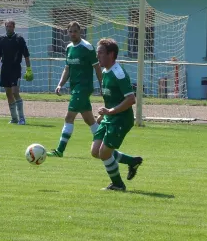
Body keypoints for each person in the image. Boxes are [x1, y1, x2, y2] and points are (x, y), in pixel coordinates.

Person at [90, 38, 142, 191]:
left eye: (100, 53)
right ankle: (132, 161)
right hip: (109, 117)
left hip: (121, 119)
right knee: (95, 152)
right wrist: (103, 115)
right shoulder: (105, 71)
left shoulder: (119, 73)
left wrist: (110, 112)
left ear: (111, 55)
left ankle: (118, 184)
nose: (97, 56)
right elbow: (111, 97)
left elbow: (131, 99)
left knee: (104, 153)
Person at [47, 22, 102, 157]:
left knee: (69, 117)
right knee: (89, 120)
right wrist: (60, 84)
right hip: (75, 88)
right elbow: (67, 69)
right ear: (67, 32)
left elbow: (97, 67)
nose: (73, 34)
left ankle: (60, 150)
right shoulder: (69, 48)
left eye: (75, 31)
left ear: (80, 32)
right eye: (70, 31)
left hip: (83, 88)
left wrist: (103, 85)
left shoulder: (87, 47)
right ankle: (104, 145)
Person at [0, 20, 33, 125]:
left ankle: (22, 118)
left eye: (10, 26)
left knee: (15, 92)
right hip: (5, 69)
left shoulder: (19, 39)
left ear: (14, 27)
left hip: (15, 69)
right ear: (5, 27)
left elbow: (26, 55)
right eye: (7, 26)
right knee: (8, 94)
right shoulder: (2, 39)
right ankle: (14, 118)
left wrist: (29, 69)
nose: (8, 28)